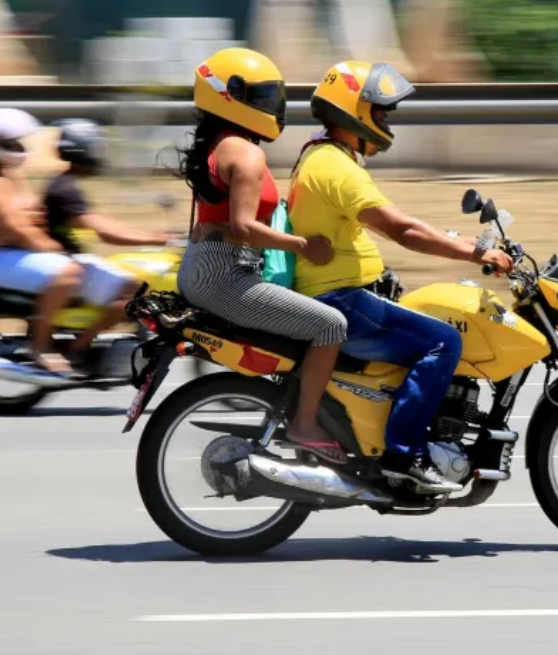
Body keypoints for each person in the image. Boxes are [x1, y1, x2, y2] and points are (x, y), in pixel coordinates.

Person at [287, 60, 513, 492]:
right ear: (354, 110)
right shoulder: (334, 166)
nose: (387, 118)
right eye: (380, 109)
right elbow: (403, 230)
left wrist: (464, 241)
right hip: (340, 300)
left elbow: (389, 228)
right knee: (443, 341)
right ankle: (405, 455)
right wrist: (475, 251)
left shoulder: (324, 157)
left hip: (342, 295)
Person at [174, 47, 350, 464]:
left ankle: (298, 406)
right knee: (331, 325)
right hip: (227, 278)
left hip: (202, 267)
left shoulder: (217, 144)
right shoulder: (247, 152)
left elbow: (216, 222)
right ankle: (306, 424)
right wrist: (306, 246)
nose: (271, 106)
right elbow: (244, 228)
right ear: (230, 96)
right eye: (262, 96)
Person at [0, 107, 86, 376]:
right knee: (67, 273)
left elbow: (33, 217)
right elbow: (14, 225)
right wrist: (49, 246)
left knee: (81, 270)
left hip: (10, 252)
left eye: (18, 142)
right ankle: (40, 346)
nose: (18, 148)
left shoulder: (11, 175)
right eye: (11, 143)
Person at [41, 118, 173, 374]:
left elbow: (102, 222)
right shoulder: (64, 189)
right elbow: (105, 233)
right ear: (84, 150)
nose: (100, 154)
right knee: (134, 290)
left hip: (73, 261)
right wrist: (155, 239)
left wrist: (151, 235)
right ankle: (79, 347)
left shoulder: (66, 184)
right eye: (96, 148)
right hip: (70, 263)